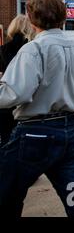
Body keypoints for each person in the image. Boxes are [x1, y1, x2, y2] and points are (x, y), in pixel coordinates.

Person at [0, 0, 74, 217]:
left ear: (31, 18)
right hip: (72, 133)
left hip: (35, 136)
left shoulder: (33, 50)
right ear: (63, 17)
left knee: (7, 195)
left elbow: (17, 92)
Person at [0, 15, 35, 146]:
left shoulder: (3, 49)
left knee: (6, 143)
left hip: (6, 106)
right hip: (28, 107)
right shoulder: (33, 49)